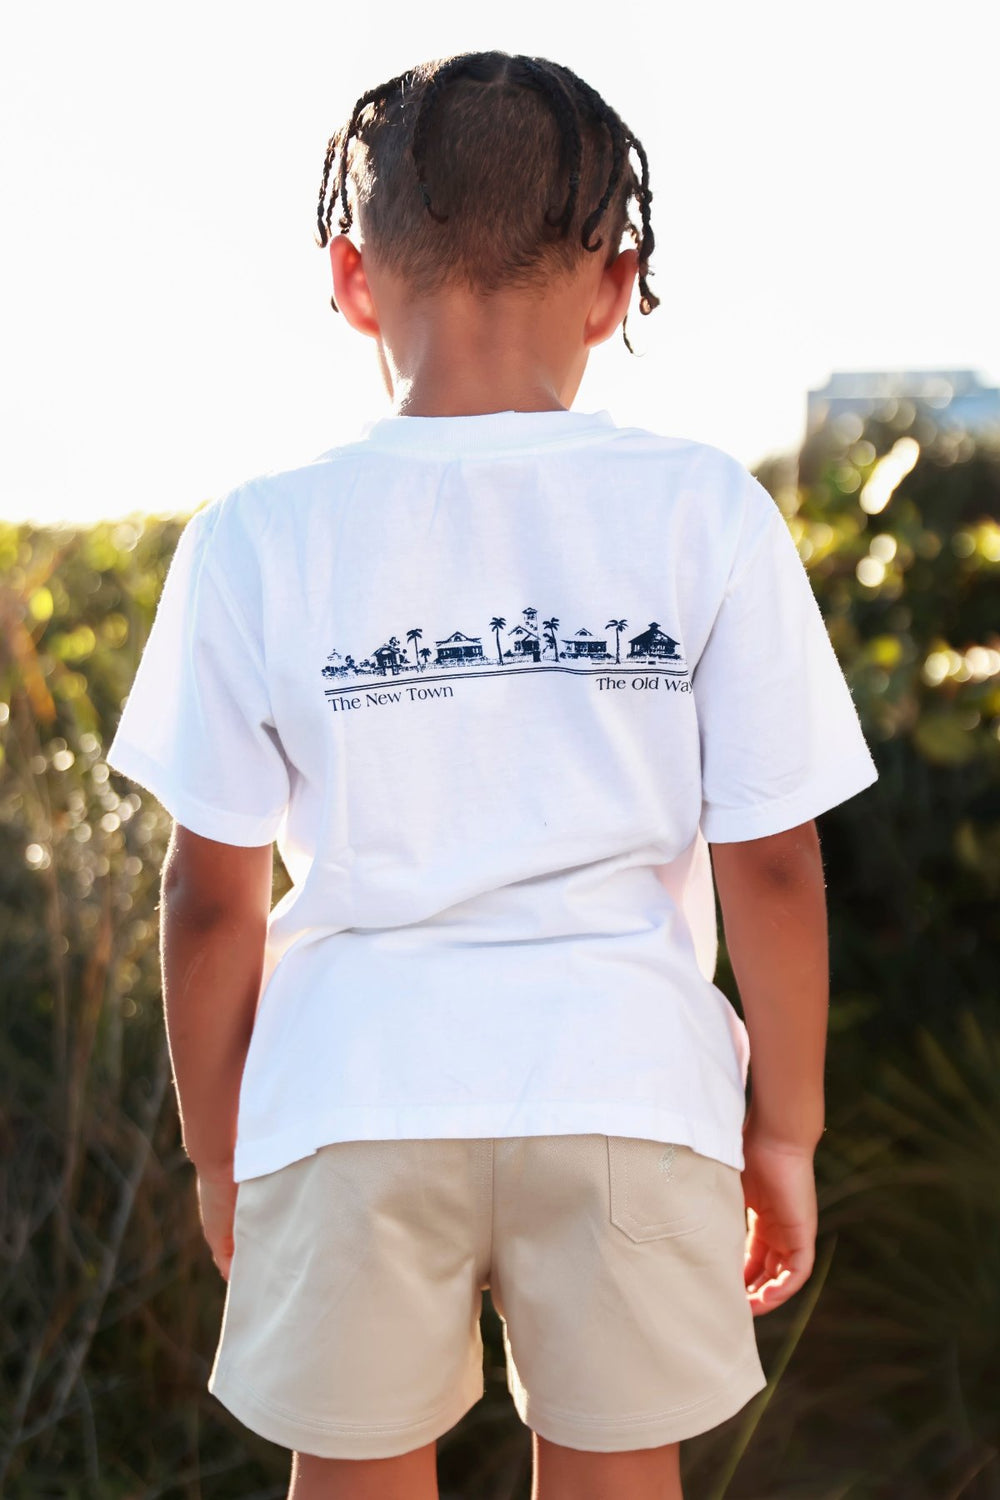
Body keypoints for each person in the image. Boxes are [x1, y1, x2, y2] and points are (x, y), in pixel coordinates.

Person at [105, 50, 880, 1500]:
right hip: (627, 1084)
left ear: (351, 277)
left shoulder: (254, 536)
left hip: (348, 1093)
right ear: (615, 286)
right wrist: (785, 1130)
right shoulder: (706, 511)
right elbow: (774, 867)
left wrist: (221, 1152)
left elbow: (209, 901)